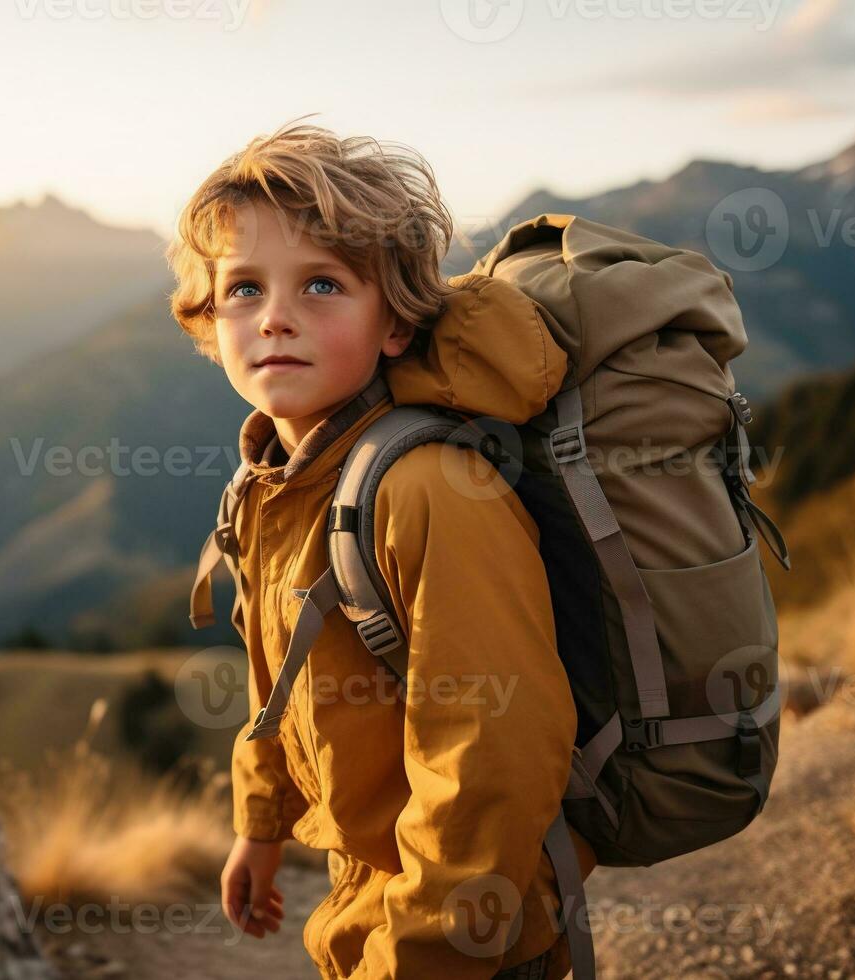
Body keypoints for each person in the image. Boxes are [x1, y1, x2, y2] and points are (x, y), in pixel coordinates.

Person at [166, 116, 596, 980]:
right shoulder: (274, 480)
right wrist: (259, 823)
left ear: (395, 324)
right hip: (367, 902)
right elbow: (275, 681)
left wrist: (423, 957)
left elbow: (491, 764)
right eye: (244, 289)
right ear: (209, 318)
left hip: (469, 939)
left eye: (321, 286)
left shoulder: (429, 490)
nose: (275, 317)